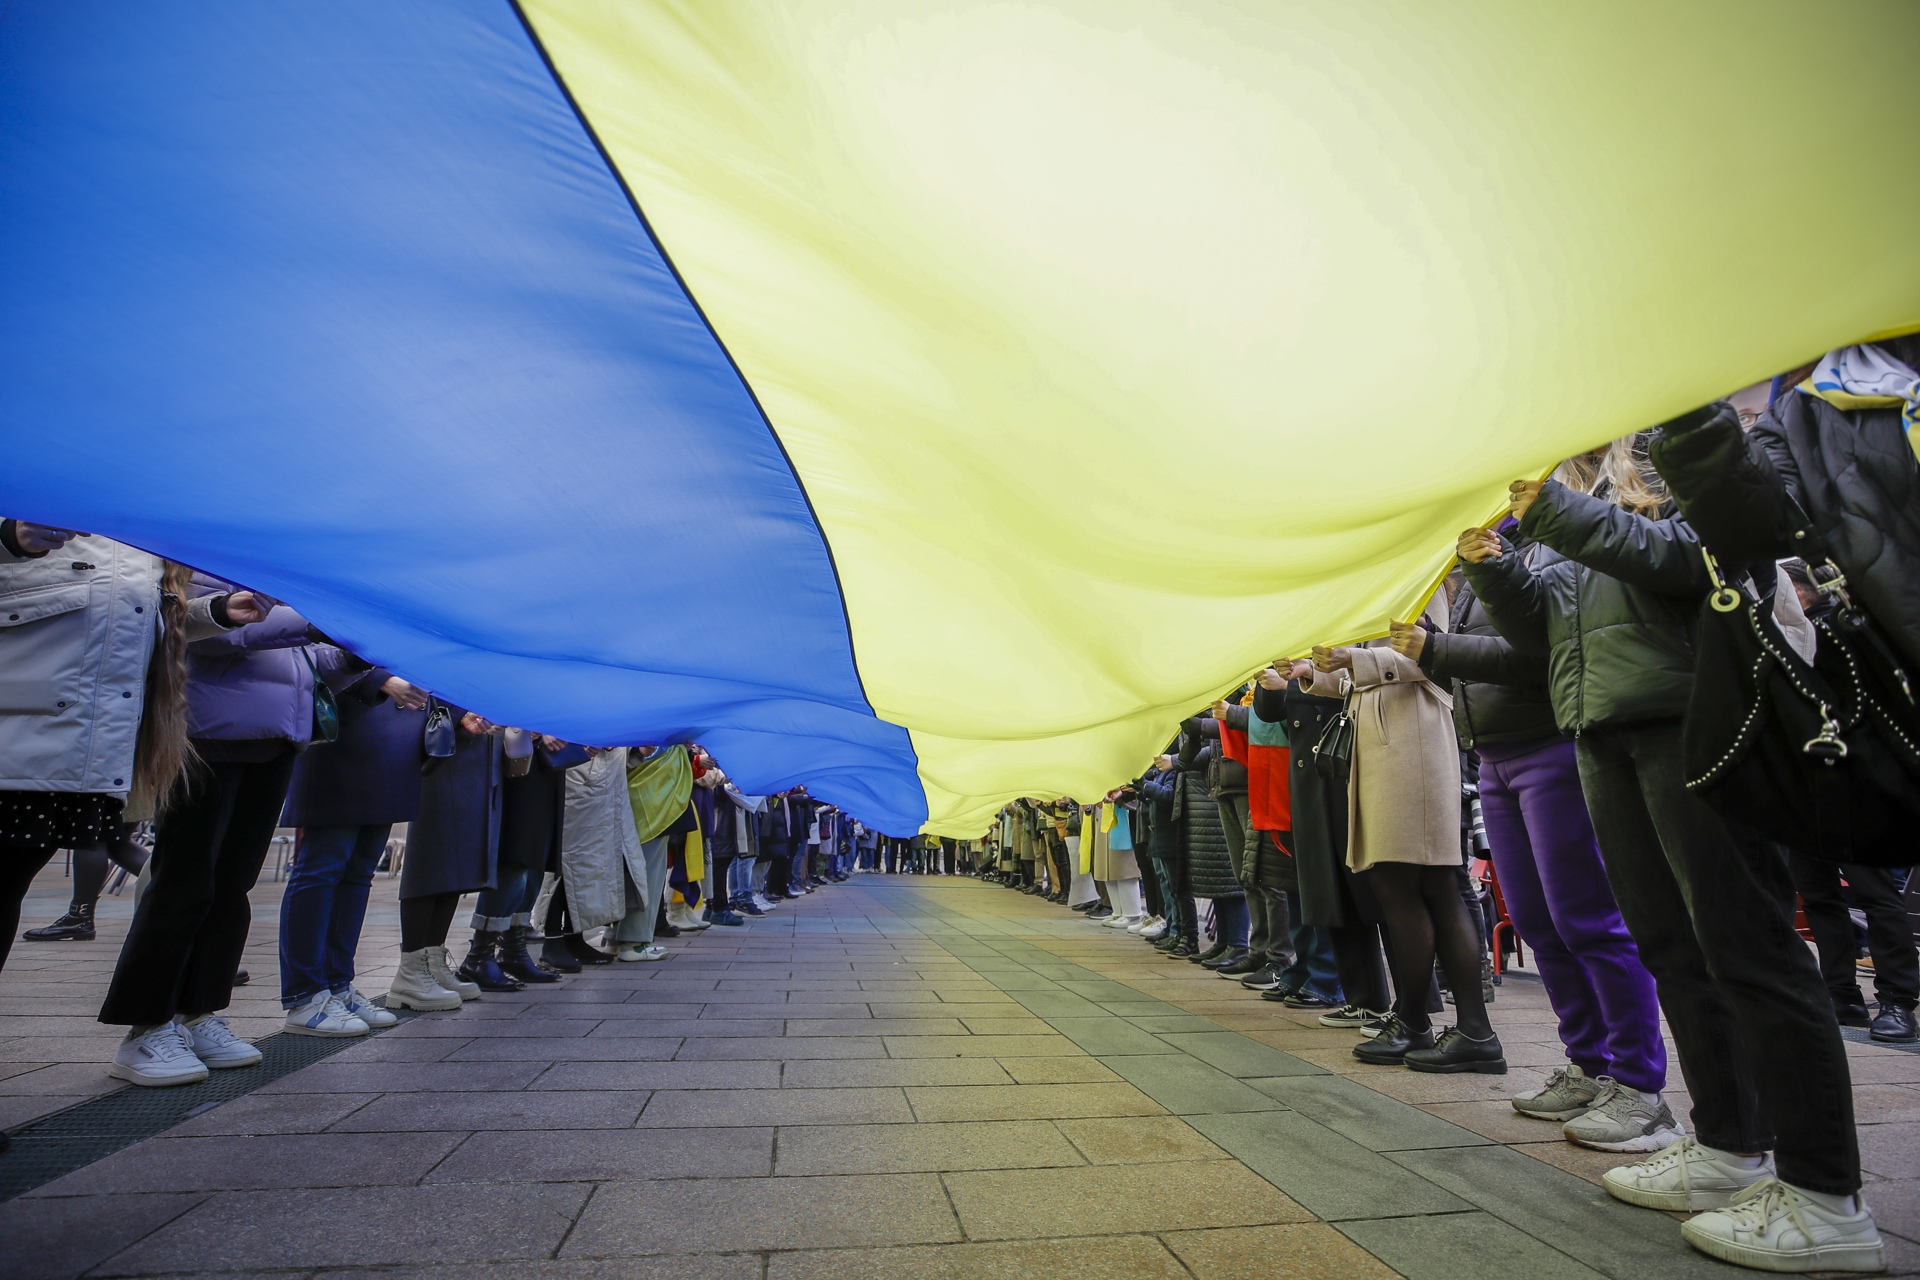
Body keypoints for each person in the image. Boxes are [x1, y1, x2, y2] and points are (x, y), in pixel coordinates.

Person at [1465, 434, 1884, 1273]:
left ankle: (1826, 1196)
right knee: (1675, 950)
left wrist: (1552, 507)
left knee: (1750, 949)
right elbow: (1545, 626)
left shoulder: (1658, 454)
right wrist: (1492, 564)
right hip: (1605, 725)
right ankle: (1729, 1146)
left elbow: (1695, 558)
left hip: (1696, 720)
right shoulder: (1566, 497)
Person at [1395, 561, 1669, 1144]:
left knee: (1590, 920)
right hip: (1497, 752)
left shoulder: (1549, 554)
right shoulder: (1481, 564)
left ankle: (1638, 1084)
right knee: (1541, 923)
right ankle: (1588, 1063)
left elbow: (1546, 653)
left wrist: (1436, 648)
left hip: (1553, 745)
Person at [99, 576, 336, 1082]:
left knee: (232, 887)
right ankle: (146, 1025)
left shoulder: (281, 575)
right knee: (183, 882)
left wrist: (357, 649)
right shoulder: (207, 559)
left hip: (271, 742)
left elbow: (305, 662)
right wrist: (320, 618)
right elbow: (214, 630)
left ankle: (201, 1011)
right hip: (204, 737)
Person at [3, 526, 262, 971]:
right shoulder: (33, 491)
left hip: (81, 750)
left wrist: (218, 610)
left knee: (10, 885)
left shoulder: (142, 540)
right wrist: (10, 537)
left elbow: (143, 626)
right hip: (20, 742)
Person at [1303, 615, 1505, 1074]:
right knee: (1417, 886)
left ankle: (1441, 1024)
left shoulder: (1415, 572)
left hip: (1409, 737)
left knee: (1419, 885)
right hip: (1391, 738)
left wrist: (1353, 657)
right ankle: (1442, 1024)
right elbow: (1373, 676)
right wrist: (1318, 672)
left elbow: (1428, 656)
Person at [278, 659, 431, 1029]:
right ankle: (305, 993)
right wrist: (380, 680)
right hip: (347, 727)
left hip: (395, 732)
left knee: (360, 870)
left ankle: (337, 983)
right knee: (323, 866)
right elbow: (316, 650)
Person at [403, 705, 506, 997]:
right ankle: (411, 968)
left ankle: (432, 961)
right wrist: (460, 714)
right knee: (431, 861)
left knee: (454, 869)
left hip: (476, 749)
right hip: (443, 747)